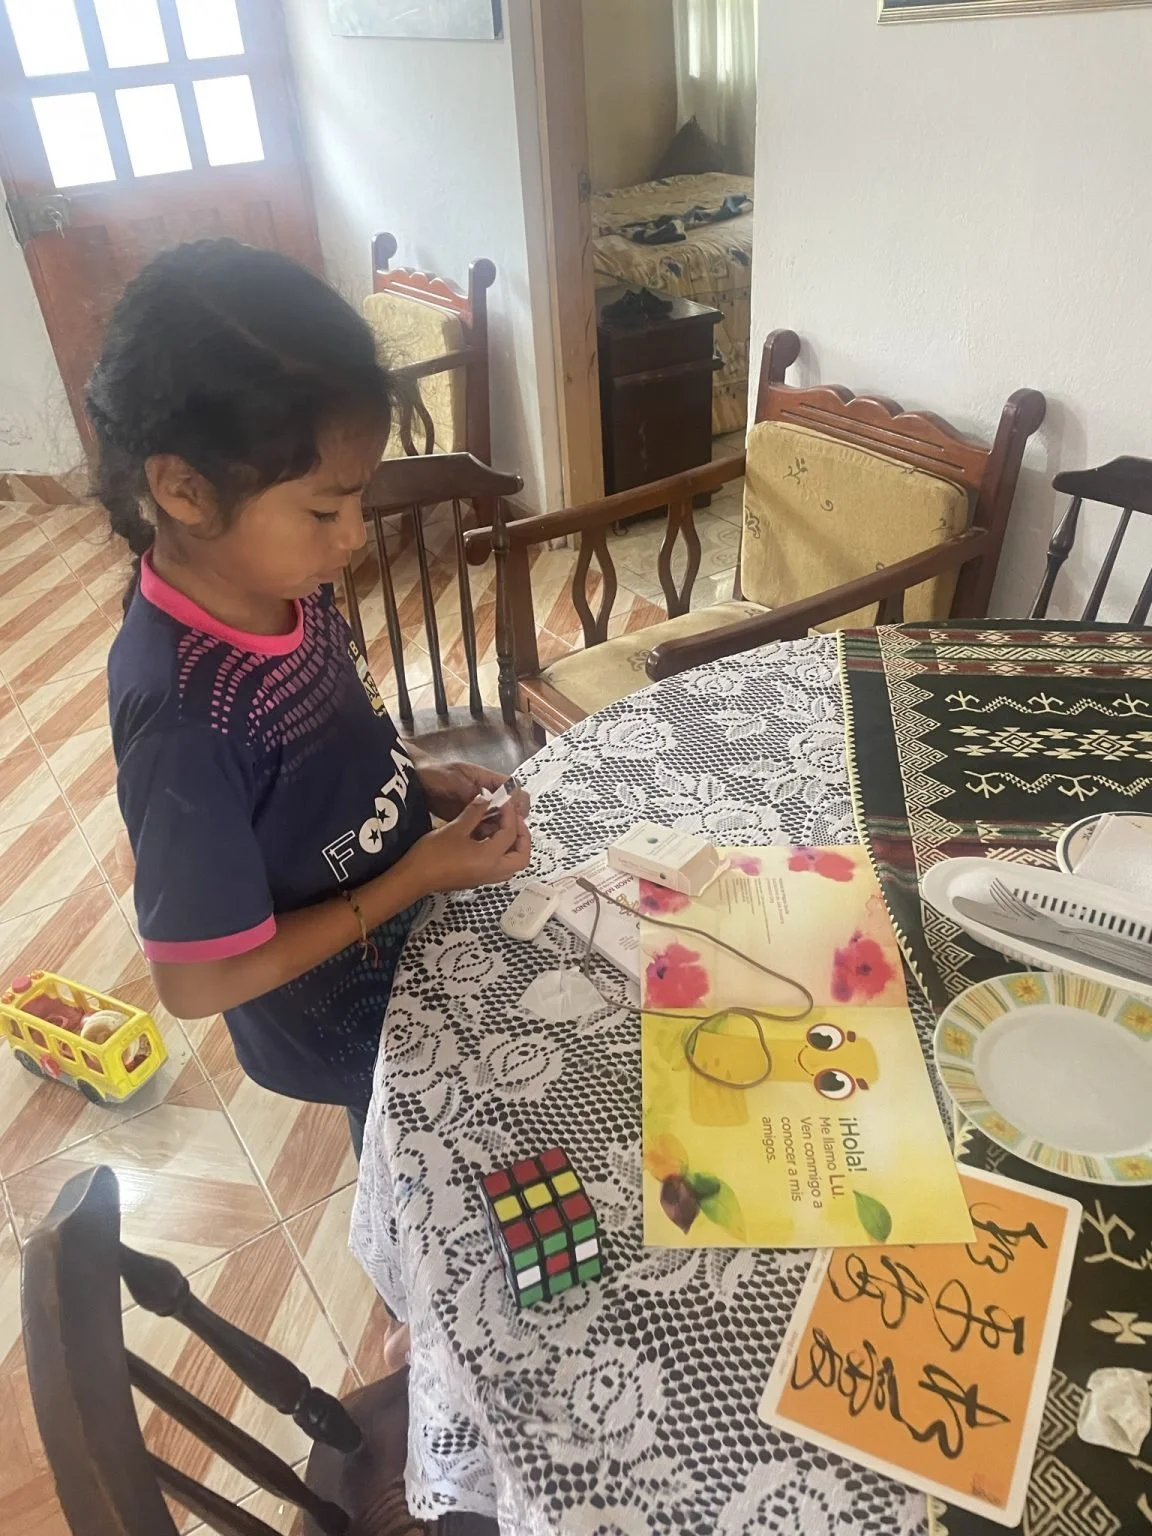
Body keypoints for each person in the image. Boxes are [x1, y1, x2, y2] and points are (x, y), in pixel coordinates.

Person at [92, 239, 532, 1166]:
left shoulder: (280, 584)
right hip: (340, 1011)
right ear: (184, 489)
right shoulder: (186, 717)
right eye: (326, 511)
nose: (354, 538)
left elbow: (334, 738)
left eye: (358, 501)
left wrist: (419, 778)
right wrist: (414, 876)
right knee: (406, 1156)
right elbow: (197, 982)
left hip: (407, 930)